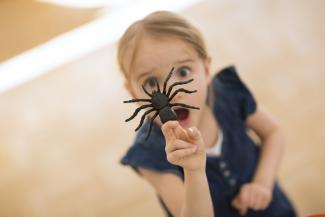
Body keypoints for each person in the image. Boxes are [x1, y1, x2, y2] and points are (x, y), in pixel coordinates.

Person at [118, 11, 296, 217]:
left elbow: (273, 133)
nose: (174, 93)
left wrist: (263, 184)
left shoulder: (227, 94)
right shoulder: (149, 153)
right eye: (150, 83)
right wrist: (193, 171)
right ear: (132, 94)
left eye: (183, 72)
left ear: (206, 70)